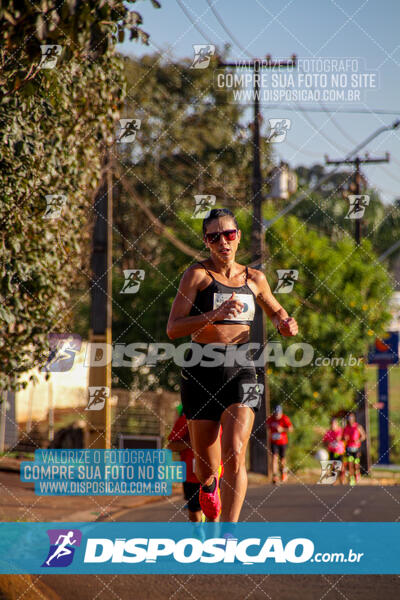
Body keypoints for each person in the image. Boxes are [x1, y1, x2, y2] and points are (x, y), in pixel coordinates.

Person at [166, 208, 298, 523]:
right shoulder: (196, 275)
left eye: (229, 234)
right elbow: (173, 328)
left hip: (242, 367)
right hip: (201, 369)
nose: (223, 242)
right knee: (205, 467)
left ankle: (228, 535)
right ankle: (209, 487)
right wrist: (214, 314)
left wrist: (285, 322)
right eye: (214, 236)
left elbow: (276, 310)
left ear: (237, 236)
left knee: (235, 451)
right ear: (206, 242)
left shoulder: (255, 278)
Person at [167, 405, 202, 523]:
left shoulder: (222, 417)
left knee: (214, 510)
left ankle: (212, 538)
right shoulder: (186, 419)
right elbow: (171, 446)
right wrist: (191, 443)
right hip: (191, 476)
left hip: (215, 473)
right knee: (194, 512)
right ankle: (199, 533)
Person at [266, 405, 293, 484]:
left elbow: (291, 429)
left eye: (278, 414)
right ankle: (275, 476)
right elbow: (267, 425)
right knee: (274, 458)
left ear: (281, 413)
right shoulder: (271, 418)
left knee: (282, 459)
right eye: (276, 414)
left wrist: (282, 429)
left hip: (283, 442)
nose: (277, 415)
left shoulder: (284, 418)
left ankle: (283, 473)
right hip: (274, 442)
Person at [343, 412, 366, 485]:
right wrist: (345, 438)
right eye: (349, 418)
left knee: (356, 464)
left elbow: (364, 436)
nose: (350, 419)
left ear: (354, 418)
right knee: (350, 464)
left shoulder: (358, 427)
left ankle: (357, 475)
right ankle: (351, 478)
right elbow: (343, 437)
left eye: (351, 417)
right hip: (349, 448)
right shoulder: (346, 428)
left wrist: (358, 440)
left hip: (356, 448)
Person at [322, 417, 345, 484]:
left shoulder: (340, 430)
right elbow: (324, 441)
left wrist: (341, 438)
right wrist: (327, 444)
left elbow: (342, 438)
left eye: (334, 423)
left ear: (337, 424)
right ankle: (333, 479)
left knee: (340, 466)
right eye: (331, 424)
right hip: (332, 451)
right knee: (333, 466)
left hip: (339, 451)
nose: (332, 425)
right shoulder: (328, 432)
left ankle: (342, 479)